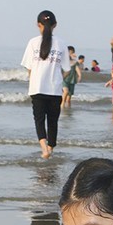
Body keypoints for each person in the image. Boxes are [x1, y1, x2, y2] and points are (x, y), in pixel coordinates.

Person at [21, 10, 72, 159]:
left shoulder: (32, 42)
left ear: (38, 24)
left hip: (37, 88)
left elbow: (29, 68)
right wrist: (58, 77)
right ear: (55, 25)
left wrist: (34, 79)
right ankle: (50, 149)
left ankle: (44, 149)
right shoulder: (61, 43)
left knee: (39, 120)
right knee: (53, 121)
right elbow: (67, 70)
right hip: (54, 89)